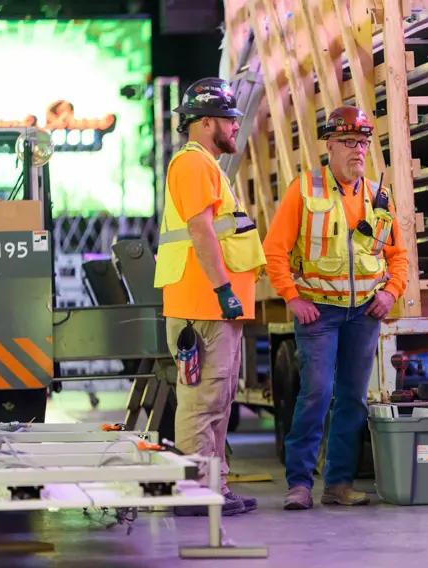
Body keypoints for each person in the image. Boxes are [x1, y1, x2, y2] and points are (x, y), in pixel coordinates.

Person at [263, 105, 409, 510]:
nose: (358, 150)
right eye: (348, 142)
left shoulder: (379, 196)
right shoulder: (304, 189)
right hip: (319, 314)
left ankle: (338, 483)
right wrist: (292, 298)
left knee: (353, 399)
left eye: (363, 142)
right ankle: (299, 484)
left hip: (364, 312)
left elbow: (398, 255)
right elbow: (274, 251)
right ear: (329, 145)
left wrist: (390, 293)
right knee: (316, 393)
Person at [153, 77, 266, 516]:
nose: (236, 127)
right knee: (202, 402)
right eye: (228, 120)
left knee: (215, 402)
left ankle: (211, 487)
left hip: (210, 306)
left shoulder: (204, 165)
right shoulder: (193, 164)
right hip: (204, 304)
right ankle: (194, 491)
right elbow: (201, 230)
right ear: (202, 123)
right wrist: (223, 291)